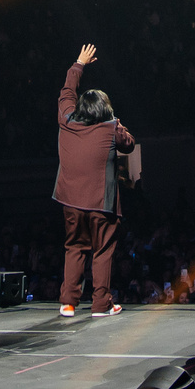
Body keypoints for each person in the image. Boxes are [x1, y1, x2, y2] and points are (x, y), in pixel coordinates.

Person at [53, 43, 135, 319]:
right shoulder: (111, 128)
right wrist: (116, 121)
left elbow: (67, 91)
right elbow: (129, 145)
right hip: (101, 204)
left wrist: (79, 63)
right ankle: (101, 305)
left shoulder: (66, 120)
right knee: (102, 251)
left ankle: (68, 303)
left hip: (70, 201)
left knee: (74, 247)